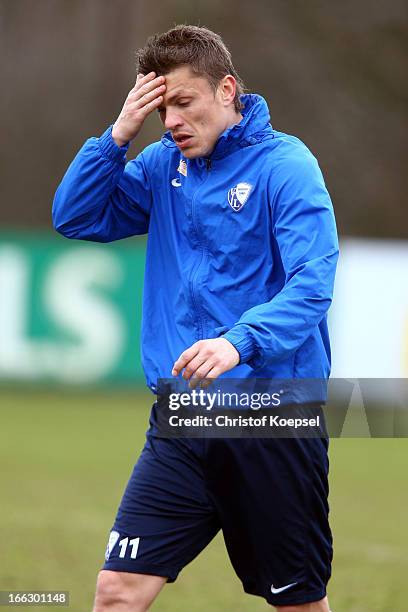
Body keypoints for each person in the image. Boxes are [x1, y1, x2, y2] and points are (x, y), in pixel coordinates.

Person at [53, 25, 338, 612]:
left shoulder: (287, 164)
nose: (173, 121)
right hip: (181, 419)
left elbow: (314, 283)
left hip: (270, 421)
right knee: (116, 591)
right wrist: (117, 136)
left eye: (184, 102)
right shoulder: (162, 166)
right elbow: (76, 217)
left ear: (227, 90)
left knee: (298, 603)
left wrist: (240, 343)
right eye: (162, 111)